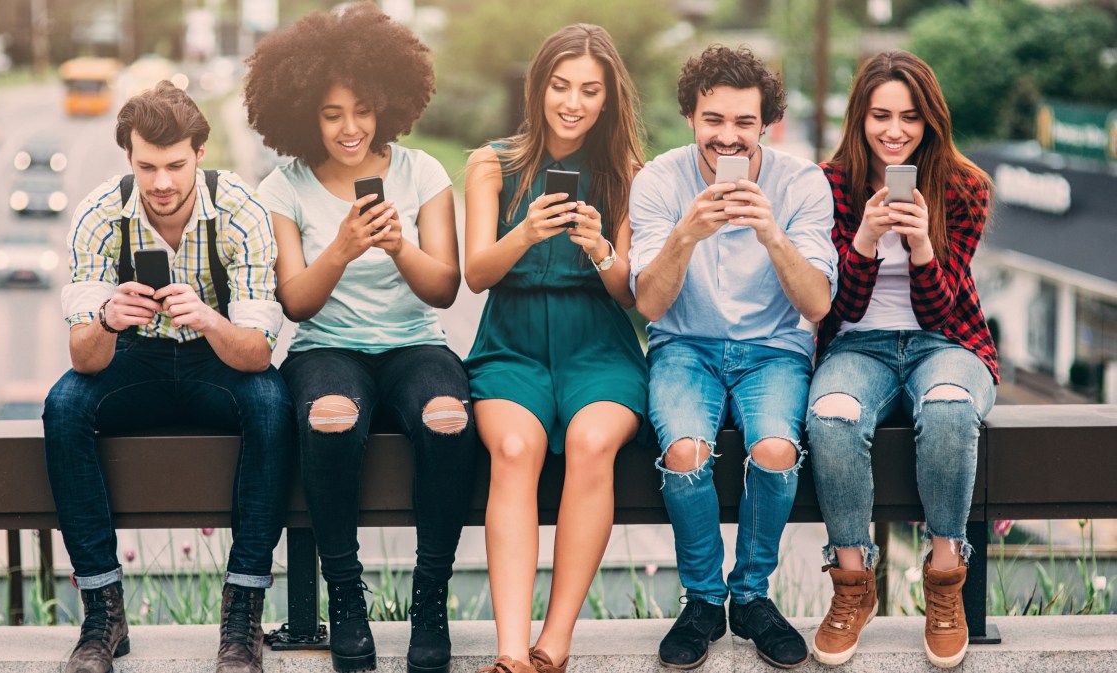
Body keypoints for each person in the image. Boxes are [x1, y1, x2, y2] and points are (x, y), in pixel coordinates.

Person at [243, 5, 477, 673]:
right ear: (302, 116)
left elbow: (443, 289)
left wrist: (398, 243)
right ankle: (346, 598)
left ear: (388, 104)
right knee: (330, 415)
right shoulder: (280, 187)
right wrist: (342, 248)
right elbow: (295, 301)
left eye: (363, 110)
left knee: (448, 416)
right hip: (326, 348)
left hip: (414, 342)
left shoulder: (423, 173)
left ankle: (429, 601)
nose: (351, 128)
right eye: (331, 113)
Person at [43, 81, 293, 673]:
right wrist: (106, 318)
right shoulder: (101, 213)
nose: (162, 182)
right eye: (147, 165)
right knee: (63, 407)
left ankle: (242, 617)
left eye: (176, 165)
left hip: (219, 359)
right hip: (135, 360)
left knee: (272, 405)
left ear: (200, 155)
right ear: (128, 158)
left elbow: (256, 352)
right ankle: (103, 615)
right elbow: (84, 359)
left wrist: (207, 318)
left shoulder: (239, 210)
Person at [630, 45, 837, 670]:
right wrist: (686, 235)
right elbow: (650, 305)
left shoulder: (800, 183)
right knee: (685, 454)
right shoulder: (661, 181)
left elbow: (818, 303)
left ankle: (750, 595)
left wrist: (772, 233)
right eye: (713, 120)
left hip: (772, 350)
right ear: (691, 117)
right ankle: (702, 600)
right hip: (684, 345)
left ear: (766, 124)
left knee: (776, 452)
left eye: (744, 123)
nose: (728, 137)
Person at [463, 23, 649, 673]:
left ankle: (554, 644)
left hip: (597, 343)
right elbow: (476, 272)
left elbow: (631, 294)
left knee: (594, 443)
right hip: (511, 343)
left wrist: (600, 249)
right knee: (515, 449)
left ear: (608, 98)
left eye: (589, 90)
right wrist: (526, 234)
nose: (572, 101)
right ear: (538, 88)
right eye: (560, 85)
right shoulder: (492, 163)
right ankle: (512, 653)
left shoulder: (628, 172)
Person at [807, 50, 997, 669]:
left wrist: (919, 246)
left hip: (947, 344)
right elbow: (837, 304)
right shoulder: (828, 185)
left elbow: (942, 314)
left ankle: (946, 581)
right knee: (831, 415)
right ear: (859, 117)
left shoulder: (965, 187)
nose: (894, 130)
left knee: (947, 407)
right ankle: (852, 584)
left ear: (930, 121)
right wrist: (863, 239)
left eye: (910, 117)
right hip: (856, 343)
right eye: (880, 115)